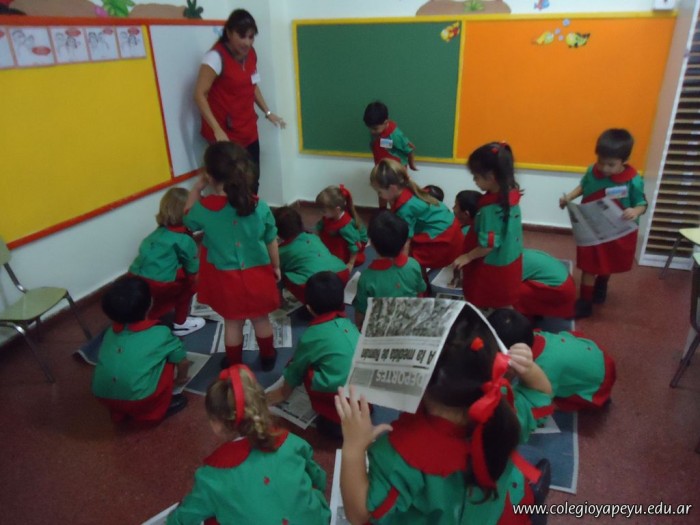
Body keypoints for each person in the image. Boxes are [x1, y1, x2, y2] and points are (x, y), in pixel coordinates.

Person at [335, 303, 553, 525]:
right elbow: (541, 394)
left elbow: (360, 514)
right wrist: (529, 369)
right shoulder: (504, 407)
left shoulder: (399, 454)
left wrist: (353, 447)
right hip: (496, 512)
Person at [167, 365, 331, 525]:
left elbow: (184, 517)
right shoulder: (291, 441)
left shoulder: (211, 476)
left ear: (216, 424)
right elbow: (319, 478)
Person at [184, 142, 280, 371]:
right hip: (258, 275)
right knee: (261, 319)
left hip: (226, 281)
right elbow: (271, 239)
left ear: (210, 176)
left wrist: (197, 188)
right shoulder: (259, 206)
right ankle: (268, 357)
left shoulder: (205, 209)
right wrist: (276, 266)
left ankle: (235, 363)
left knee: (232, 323)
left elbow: (187, 219)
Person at [193, 9, 285, 192]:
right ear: (229, 33)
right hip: (225, 134)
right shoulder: (215, 57)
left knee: (253, 180)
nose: (247, 42)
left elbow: (252, 84)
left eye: (251, 37)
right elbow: (199, 94)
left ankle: (251, 211)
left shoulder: (251, 54)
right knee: (232, 186)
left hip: (248, 128)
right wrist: (217, 129)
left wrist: (267, 112)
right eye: (242, 36)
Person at [559, 129, 647, 318]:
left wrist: (635, 211)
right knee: (589, 265)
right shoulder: (593, 171)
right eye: (601, 161)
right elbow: (584, 186)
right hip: (591, 226)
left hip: (616, 230)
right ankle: (585, 302)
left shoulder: (633, 180)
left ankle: (602, 283)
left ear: (624, 160)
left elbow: (642, 203)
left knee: (607, 263)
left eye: (611, 164)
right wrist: (569, 197)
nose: (604, 168)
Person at [267, 272, 359, 438]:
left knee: (306, 367)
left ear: (309, 308)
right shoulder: (350, 325)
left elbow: (296, 368)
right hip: (363, 394)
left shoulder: (311, 335)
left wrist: (283, 392)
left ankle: (335, 419)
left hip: (337, 399)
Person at [92, 276, 191, 424]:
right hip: (141, 399)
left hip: (102, 396)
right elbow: (182, 362)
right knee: (169, 358)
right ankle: (154, 411)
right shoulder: (161, 332)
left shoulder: (109, 332)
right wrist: (180, 380)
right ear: (150, 303)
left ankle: (120, 412)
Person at [488, 309, 616, 411]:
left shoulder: (543, 368)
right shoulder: (535, 335)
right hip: (596, 354)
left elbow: (542, 400)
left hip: (599, 385)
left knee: (545, 401)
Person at [454, 142, 523, 310]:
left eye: (476, 177)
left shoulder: (490, 209)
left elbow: (488, 245)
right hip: (509, 258)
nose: (474, 181)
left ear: (491, 177)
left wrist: (467, 257)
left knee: (487, 298)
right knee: (503, 299)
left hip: (492, 265)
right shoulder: (511, 192)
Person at [128, 187, 205, 336]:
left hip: (135, 277)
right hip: (159, 284)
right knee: (189, 288)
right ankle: (181, 323)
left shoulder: (156, 234)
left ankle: (146, 316)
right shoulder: (185, 240)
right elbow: (192, 271)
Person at [370, 159, 463, 274]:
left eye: (379, 192)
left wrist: (403, 268)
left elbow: (405, 241)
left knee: (412, 258)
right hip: (451, 230)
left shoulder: (405, 208)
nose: (379, 195)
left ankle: (416, 281)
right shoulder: (408, 190)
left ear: (392, 188)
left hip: (444, 242)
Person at [353, 211, 426, 326]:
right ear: (404, 242)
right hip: (409, 321)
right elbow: (420, 293)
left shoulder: (366, 278)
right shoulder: (414, 265)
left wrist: (358, 327)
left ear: (372, 244)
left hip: (381, 326)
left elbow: (361, 311)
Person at [274, 206, 350, 304]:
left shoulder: (281, 251)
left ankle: (280, 301)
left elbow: (276, 270)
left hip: (315, 288)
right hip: (341, 274)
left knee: (279, 273)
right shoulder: (313, 237)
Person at [364, 101, 417, 208]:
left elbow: (410, 149)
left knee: (396, 195)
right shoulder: (375, 132)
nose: (372, 131)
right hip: (382, 168)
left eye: (375, 128)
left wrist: (411, 164)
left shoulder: (395, 135)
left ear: (386, 122)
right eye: (369, 128)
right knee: (381, 192)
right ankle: (382, 212)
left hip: (395, 170)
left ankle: (397, 212)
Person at [315, 185, 368, 269]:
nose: (321, 213)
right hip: (336, 239)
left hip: (350, 246)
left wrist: (350, 263)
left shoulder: (346, 226)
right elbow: (320, 226)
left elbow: (354, 245)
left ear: (337, 210)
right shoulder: (329, 216)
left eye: (324, 211)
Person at [514, 248, 576, 320]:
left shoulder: (517, 263)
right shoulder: (523, 253)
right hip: (566, 281)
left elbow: (508, 287)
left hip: (562, 290)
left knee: (514, 293)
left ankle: (525, 318)